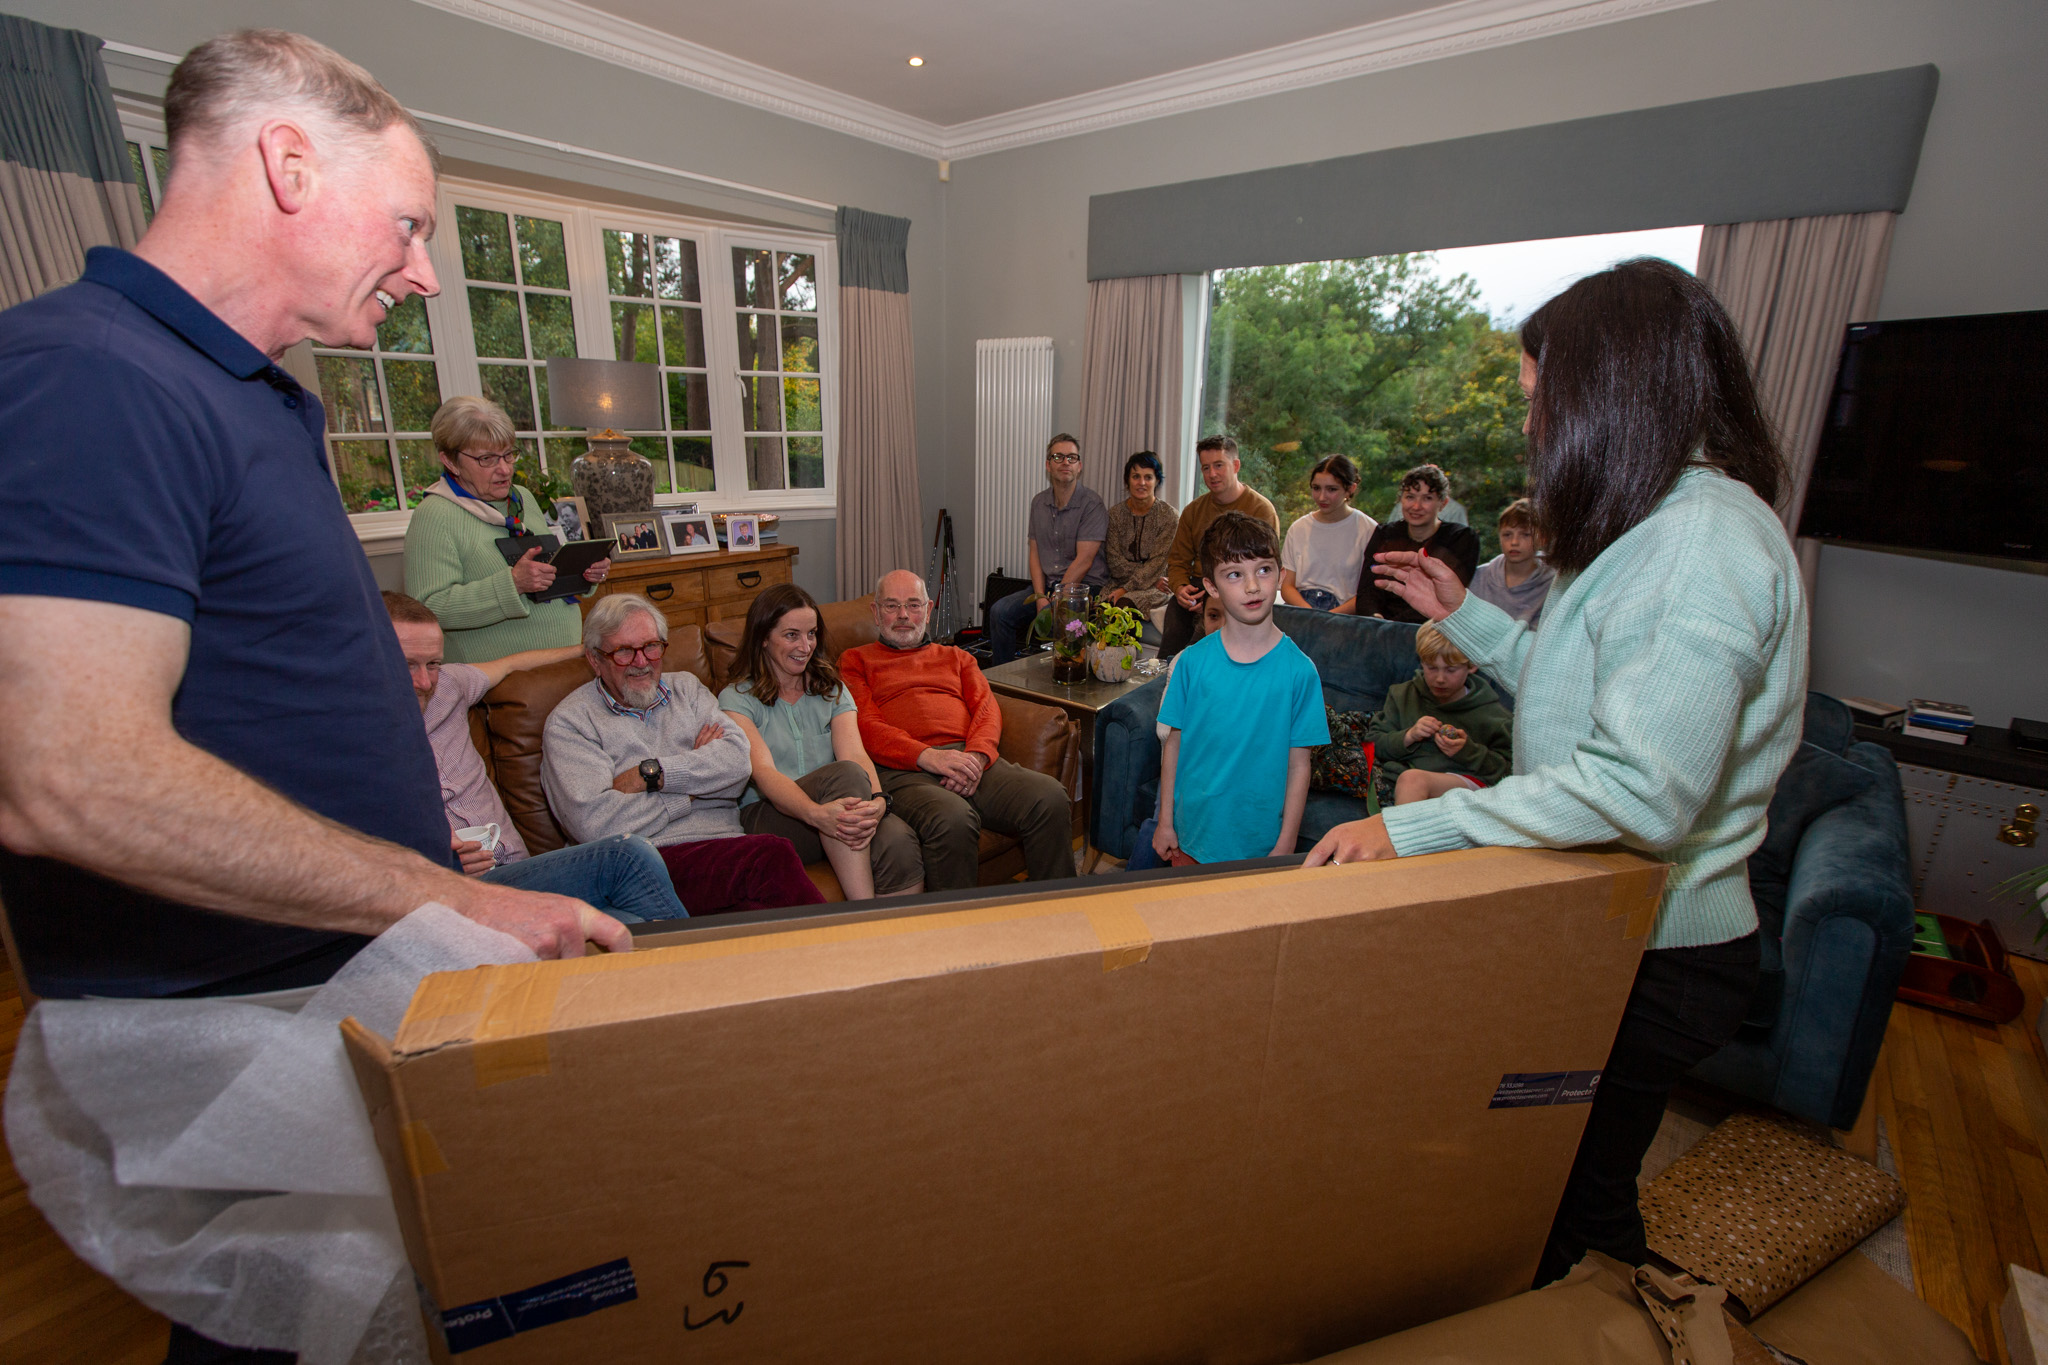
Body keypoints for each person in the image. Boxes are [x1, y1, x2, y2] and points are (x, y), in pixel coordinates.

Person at [0, 31, 627, 1362]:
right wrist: (463, 903)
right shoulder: (92, 373)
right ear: (287, 162)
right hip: (234, 1042)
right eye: (405, 221)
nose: (424, 269)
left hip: (326, 1004)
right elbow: (67, 774)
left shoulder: (250, 397)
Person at [1305, 258, 1807, 1288]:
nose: (1532, 427)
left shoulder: (1695, 547)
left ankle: (1598, 1322)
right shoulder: (1655, 526)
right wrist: (1469, 616)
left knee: (1561, 1195)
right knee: (1566, 1179)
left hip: (1654, 947)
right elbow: (1577, 698)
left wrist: (1413, 829)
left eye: (1542, 402)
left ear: (1611, 393)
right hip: (1607, 917)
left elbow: (1640, 788)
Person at [383, 591, 687, 922]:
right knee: (626, 855)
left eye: (433, 664)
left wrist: (601, 653)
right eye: (407, 664)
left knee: (626, 923)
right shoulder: (343, 747)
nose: (425, 681)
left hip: (522, 874)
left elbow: (513, 663)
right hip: (453, 891)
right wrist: (438, 862)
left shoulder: (450, 686)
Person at [541, 594, 824, 915]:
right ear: (595, 659)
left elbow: (737, 762)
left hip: (723, 844)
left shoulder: (687, 689)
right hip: (646, 860)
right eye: (623, 651)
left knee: (763, 924)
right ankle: (848, 956)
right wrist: (691, 789)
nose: (641, 662)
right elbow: (596, 825)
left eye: (651, 646)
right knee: (769, 856)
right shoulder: (571, 723)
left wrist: (652, 774)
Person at [841, 571, 1074, 891]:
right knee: (953, 818)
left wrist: (977, 757)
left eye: (913, 605)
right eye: (892, 606)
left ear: (929, 608)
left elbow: (987, 709)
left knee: (1050, 798)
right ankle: (956, 933)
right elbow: (865, 725)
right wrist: (929, 757)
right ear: (875, 612)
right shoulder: (855, 660)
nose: (904, 616)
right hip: (902, 770)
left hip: (967, 757)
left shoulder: (958, 657)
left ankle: (1057, 918)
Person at [1131, 513, 1327, 869]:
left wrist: (1286, 844)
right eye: (1235, 574)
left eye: (1264, 570)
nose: (1252, 586)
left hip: (1260, 845)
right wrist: (1164, 822)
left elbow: (1300, 765)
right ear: (1211, 587)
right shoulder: (1191, 663)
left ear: (1281, 576)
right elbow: (1173, 745)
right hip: (1190, 836)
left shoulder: (1300, 672)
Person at [719, 585, 925, 900]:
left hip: (835, 808)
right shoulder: (736, 699)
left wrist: (879, 802)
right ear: (763, 637)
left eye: (811, 634)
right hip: (767, 818)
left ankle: (900, 942)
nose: (805, 646)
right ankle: (863, 916)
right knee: (843, 774)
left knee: (898, 838)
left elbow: (855, 754)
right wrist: (818, 815)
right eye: (791, 635)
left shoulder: (832, 690)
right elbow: (764, 773)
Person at [404, 395, 610, 663]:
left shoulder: (522, 497)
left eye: (508, 454)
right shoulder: (435, 515)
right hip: (501, 682)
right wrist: (512, 584)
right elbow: (429, 609)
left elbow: (543, 572)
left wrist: (583, 574)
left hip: (561, 660)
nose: (504, 470)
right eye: (487, 459)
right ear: (450, 461)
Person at [987, 433, 1108, 666]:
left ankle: (1066, 682)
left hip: (1084, 588)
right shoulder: (1038, 503)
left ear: (1079, 466)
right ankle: (1002, 682)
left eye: (1072, 458)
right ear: (1048, 465)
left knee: (1064, 626)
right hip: (1048, 587)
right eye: (1058, 457)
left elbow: (1085, 559)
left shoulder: (1092, 504)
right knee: (999, 612)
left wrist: (1057, 597)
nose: (1065, 462)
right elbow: (1034, 552)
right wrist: (1042, 596)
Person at [1364, 623, 1513, 807]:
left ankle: (1401, 833)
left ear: (1472, 665)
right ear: (1421, 662)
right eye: (1432, 668)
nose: (1440, 678)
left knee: (1413, 780)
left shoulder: (1493, 714)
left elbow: (1509, 771)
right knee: (1410, 780)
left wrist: (1467, 751)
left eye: (1451, 670)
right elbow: (1374, 745)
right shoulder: (1402, 695)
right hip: (1406, 780)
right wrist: (1409, 736)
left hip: (1467, 784)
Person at [1158, 436, 1280, 658]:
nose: (1212, 474)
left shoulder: (1261, 510)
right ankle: (1166, 679)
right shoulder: (1193, 510)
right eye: (1206, 468)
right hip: (1197, 585)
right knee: (1175, 621)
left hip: (1238, 585)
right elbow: (1177, 561)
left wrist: (1214, 596)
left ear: (1235, 466)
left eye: (1218, 465)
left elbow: (1265, 569)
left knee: (1199, 648)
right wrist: (1180, 588)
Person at [1354, 464, 1482, 623]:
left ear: (1443, 503)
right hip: (1381, 627)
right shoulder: (1385, 534)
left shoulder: (1461, 539)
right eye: (1410, 497)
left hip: (1432, 630)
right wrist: (1375, 618)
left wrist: (1394, 627)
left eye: (1427, 498)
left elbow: (1445, 599)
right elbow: (1367, 591)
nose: (1416, 506)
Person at [1279, 454, 1376, 613]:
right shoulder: (1299, 528)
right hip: (1301, 611)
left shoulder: (1368, 530)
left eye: (1332, 489)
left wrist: (1330, 618)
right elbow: (1287, 585)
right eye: (1316, 488)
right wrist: (1310, 613)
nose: (1322, 497)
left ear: (1350, 489)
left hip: (1344, 616)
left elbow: (1369, 592)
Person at [1101, 450, 1178, 615]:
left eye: (1148, 477)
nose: (1141, 482)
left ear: (1157, 481)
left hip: (1156, 589)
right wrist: (1147, 579)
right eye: (1136, 476)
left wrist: (1126, 589)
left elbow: (1158, 564)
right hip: (1131, 581)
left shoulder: (1169, 516)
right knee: (1099, 610)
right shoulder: (1115, 515)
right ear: (1127, 480)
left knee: (1123, 607)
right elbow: (1115, 562)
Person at [1467, 498, 1555, 626]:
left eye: (1525, 535)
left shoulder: (1554, 584)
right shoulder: (1478, 577)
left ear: (1542, 539)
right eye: (1507, 535)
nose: (1514, 542)